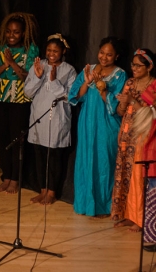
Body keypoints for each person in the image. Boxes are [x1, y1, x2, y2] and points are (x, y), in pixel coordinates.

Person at [69, 37, 126, 217]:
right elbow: (75, 96)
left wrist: (102, 88)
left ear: (116, 56)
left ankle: (105, 206)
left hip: (107, 125)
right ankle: (86, 204)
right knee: (87, 160)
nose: (104, 57)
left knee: (105, 163)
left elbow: (117, 107)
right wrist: (87, 81)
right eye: (102, 52)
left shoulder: (120, 74)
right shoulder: (90, 69)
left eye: (109, 55)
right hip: (87, 123)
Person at [0, 12, 39, 193]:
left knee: (17, 140)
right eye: (8, 31)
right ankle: (6, 176)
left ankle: (16, 179)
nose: (11, 35)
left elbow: (29, 77)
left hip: (20, 99)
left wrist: (13, 63)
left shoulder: (30, 49)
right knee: (2, 139)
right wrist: (5, 65)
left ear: (23, 33)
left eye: (16, 32)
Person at [24, 34, 76, 205]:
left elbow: (71, 97)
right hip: (39, 116)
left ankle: (52, 192)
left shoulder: (69, 70)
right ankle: (42, 190)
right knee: (39, 154)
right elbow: (27, 93)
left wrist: (53, 81)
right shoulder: (39, 65)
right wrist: (39, 77)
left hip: (57, 119)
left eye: (55, 51)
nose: (51, 54)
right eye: (49, 50)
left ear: (63, 51)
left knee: (53, 156)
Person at [112, 49, 156, 232]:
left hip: (143, 138)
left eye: (138, 65)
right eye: (132, 65)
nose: (134, 68)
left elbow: (150, 114)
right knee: (124, 176)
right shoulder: (130, 82)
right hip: (126, 135)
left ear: (150, 67)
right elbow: (121, 112)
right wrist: (123, 102)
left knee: (138, 178)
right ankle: (127, 215)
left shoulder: (154, 86)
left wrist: (131, 100)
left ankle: (140, 219)